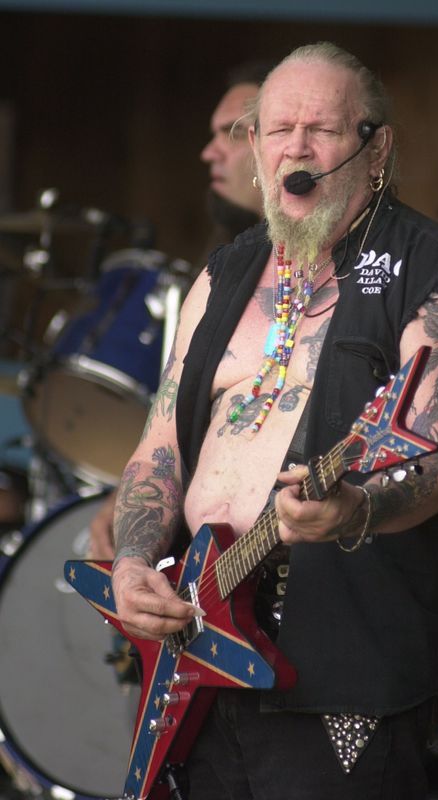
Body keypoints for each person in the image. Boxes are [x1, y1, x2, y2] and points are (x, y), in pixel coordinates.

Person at [110, 42, 438, 799]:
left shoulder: (436, 274)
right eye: (276, 129)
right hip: (198, 647)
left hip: (343, 668)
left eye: (321, 129)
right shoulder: (222, 274)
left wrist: (357, 507)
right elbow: (159, 447)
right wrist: (133, 562)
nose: (295, 147)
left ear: (375, 148)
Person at [88, 63, 268, 560]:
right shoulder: (224, 268)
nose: (209, 152)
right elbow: (180, 427)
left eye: (231, 134)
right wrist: (137, 498)